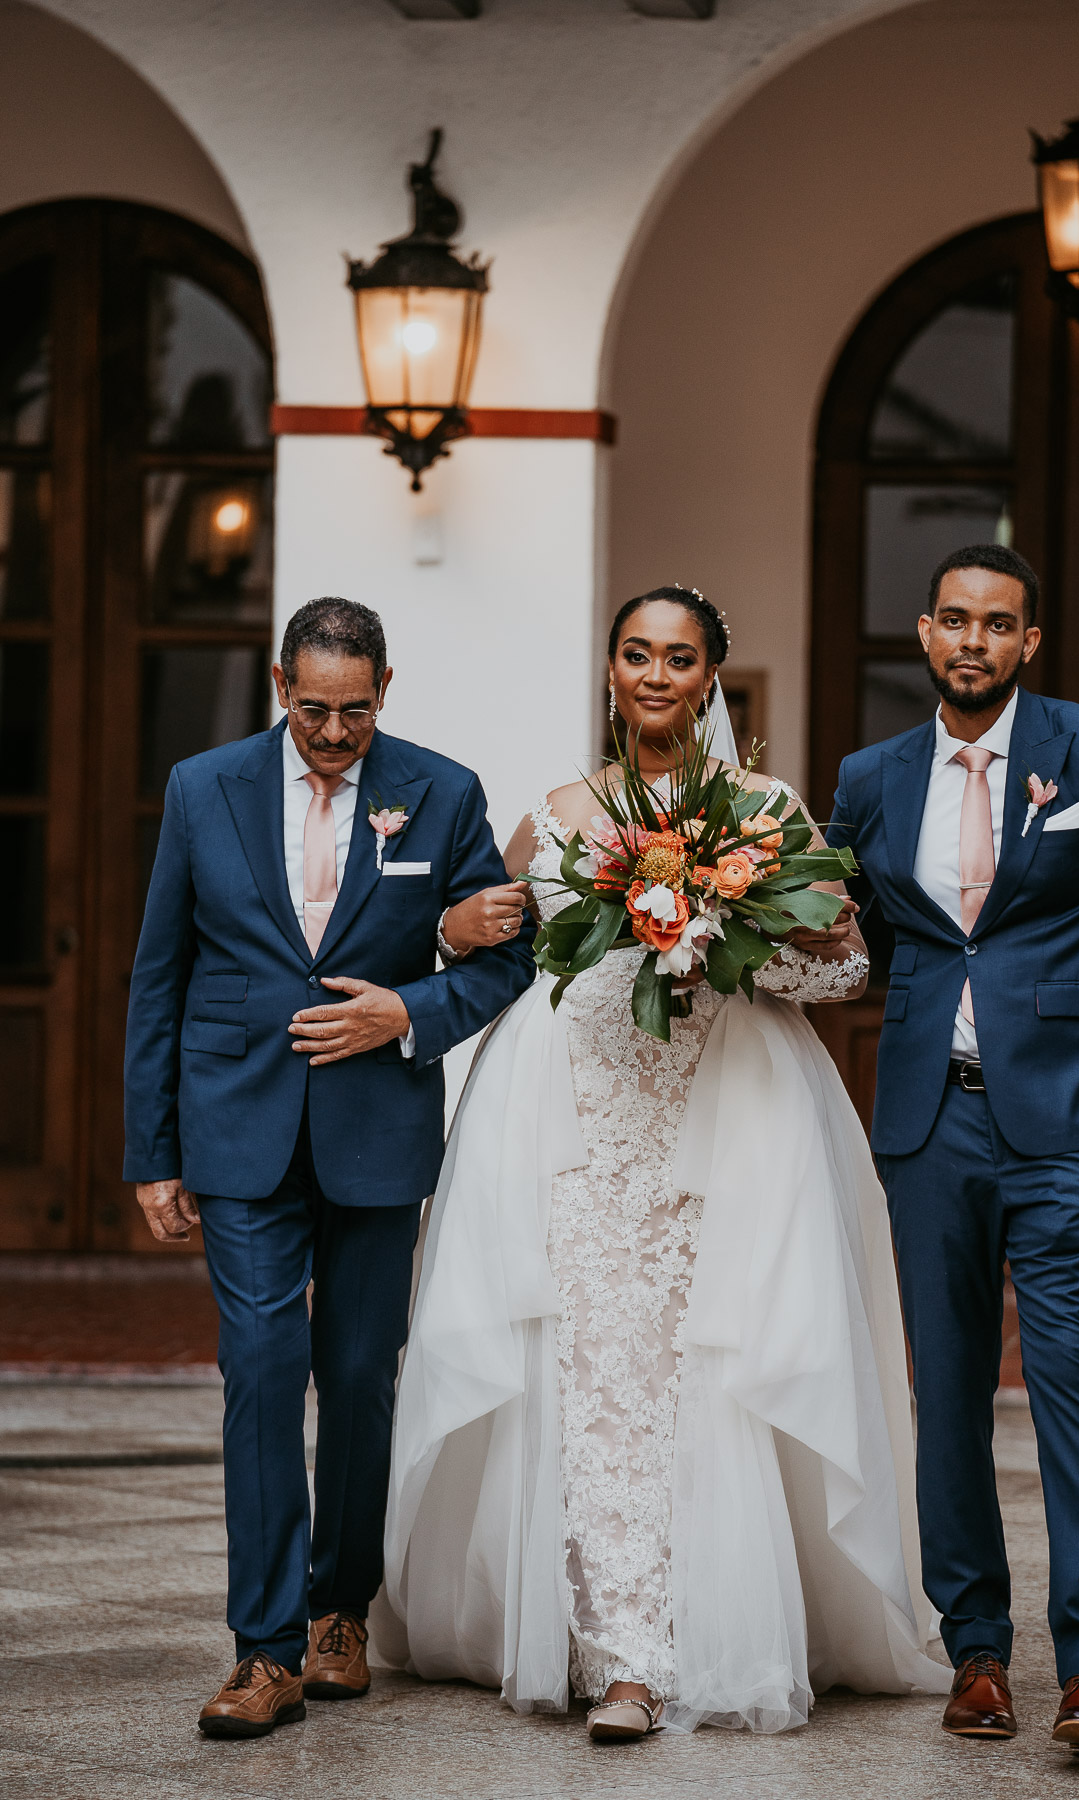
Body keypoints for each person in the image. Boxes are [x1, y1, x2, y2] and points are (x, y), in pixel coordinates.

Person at [371, 585, 951, 1738]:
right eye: (635, 654)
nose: (654, 675)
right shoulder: (556, 813)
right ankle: (610, 1646)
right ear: (609, 670)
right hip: (574, 1118)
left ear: (710, 677)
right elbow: (505, 943)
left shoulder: (763, 809)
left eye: (678, 659)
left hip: (726, 1114)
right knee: (593, 1373)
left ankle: (691, 1635)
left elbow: (837, 971)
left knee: (712, 1365)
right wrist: (454, 931)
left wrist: (745, 949)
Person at [123, 596, 535, 1739]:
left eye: (356, 710)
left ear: (387, 689)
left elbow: (506, 965)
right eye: (315, 710)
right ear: (277, 685)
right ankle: (261, 1651)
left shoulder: (443, 791)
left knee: (358, 1379)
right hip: (236, 1127)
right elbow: (162, 970)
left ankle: (339, 1610)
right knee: (261, 1371)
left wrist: (406, 1010)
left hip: (375, 1128)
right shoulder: (204, 786)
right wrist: (151, 1151)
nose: (337, 732)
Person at [826, 543, 1079, 1753]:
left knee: (1072, 1387)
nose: (973, 642)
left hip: (1069, 1121)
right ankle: (976, 1652)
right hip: (932, 1118)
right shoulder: (873, 777)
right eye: (953, 621)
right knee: (947, 1395)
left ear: (1028, 643)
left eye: (998, 624)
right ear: (924, 636)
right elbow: (842, 926)